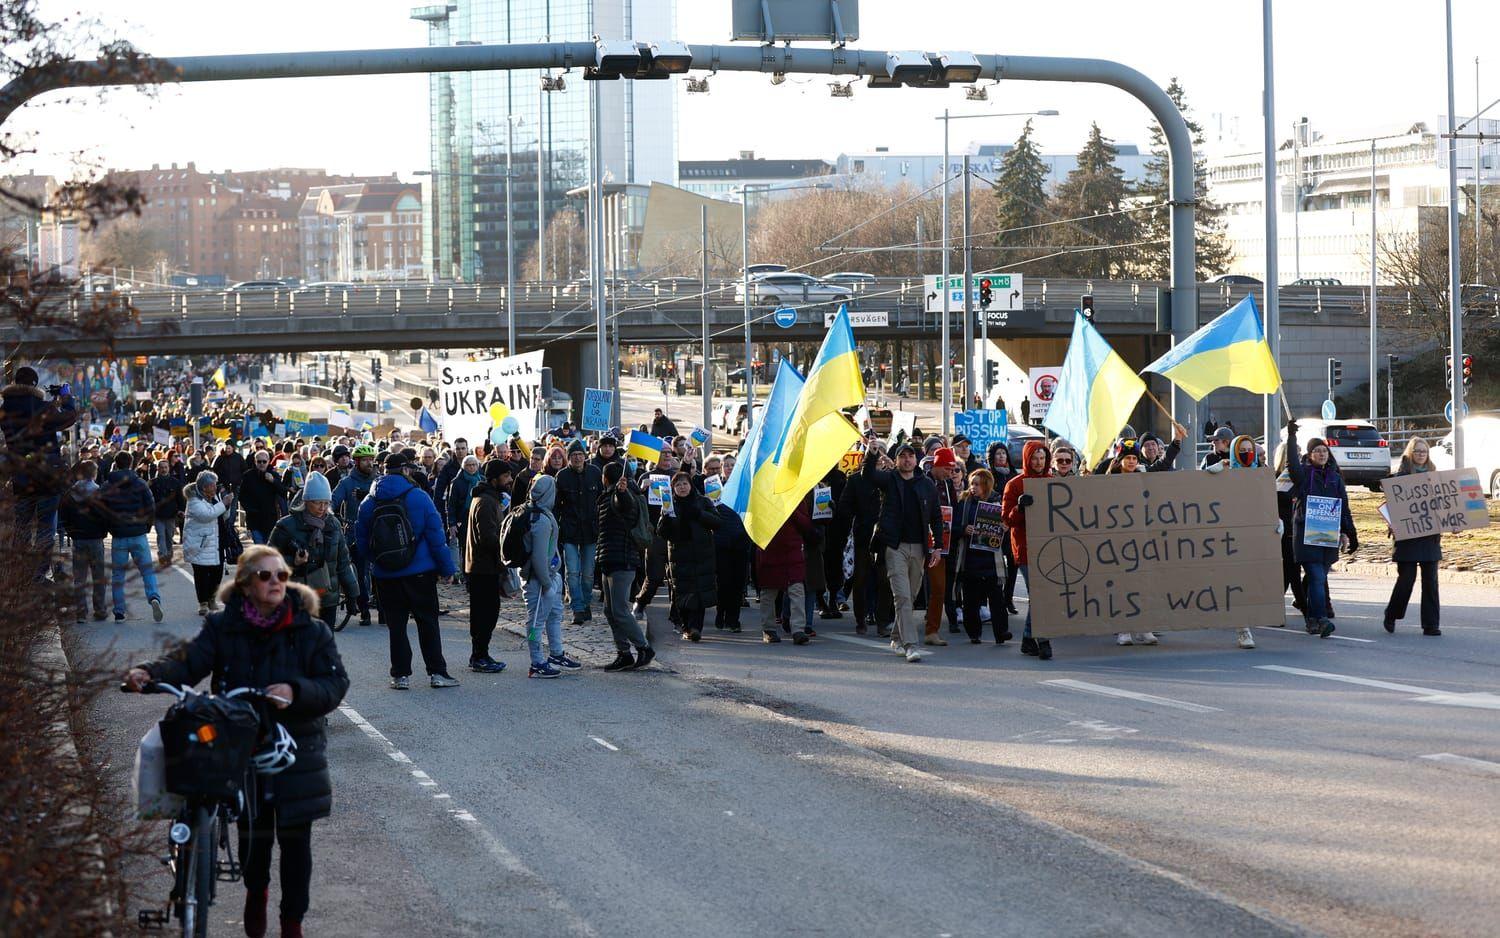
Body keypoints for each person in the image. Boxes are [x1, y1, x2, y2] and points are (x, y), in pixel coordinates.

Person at [124, 545, 350, 938]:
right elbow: (188, 662)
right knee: (253, 840)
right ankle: (256, 892)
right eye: (266, 576)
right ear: (246, 585)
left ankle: (292, 923)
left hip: (296, 750)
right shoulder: (222, 627)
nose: (277, 582)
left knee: (296, 846)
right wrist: (148, 672)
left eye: (281, 575)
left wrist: (297, 692)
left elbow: (335, 683)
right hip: (239, 747)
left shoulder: (311, 630)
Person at [354, 451, 461, 689]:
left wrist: (378, 561)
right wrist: (447, 568)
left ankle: (400, 675)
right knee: (428, 623)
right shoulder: (419, 497)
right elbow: (436, 537)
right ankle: (437, 673)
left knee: (397, 626)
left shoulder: (369, 501)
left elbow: (361, 540)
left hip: (386, 574)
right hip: (419, 571)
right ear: (405, 470)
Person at [862, 442, 942, 662]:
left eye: (910, 456)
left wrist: (938, 547)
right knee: (902, 596)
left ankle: (897, 638)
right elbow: (868, 475)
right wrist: (871, 454)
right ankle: (910, 645)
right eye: (902, 456)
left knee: (911, 595)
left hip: (919, 548)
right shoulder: (889, 480)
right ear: (896, 460)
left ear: (916, 460)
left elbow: (936, 517)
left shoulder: (927, 485)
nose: (907, 460)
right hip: (894, 546)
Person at [1284, 419, 1358, 638]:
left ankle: (1312, 618)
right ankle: (1321, 618)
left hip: (1327, 537)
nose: (1321, 454)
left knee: (1318, 578)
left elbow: (1344, 506)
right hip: (1307, 536)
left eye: (1324, 450)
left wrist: (1350, 534)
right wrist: (1291, 437)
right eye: (1316, 451)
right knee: (1316, 576)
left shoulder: (1335, 478)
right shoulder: (1303, 475)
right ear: (1309, 454)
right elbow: (1291, 464)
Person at [1, 366, 78, 562]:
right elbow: (68, 417)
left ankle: (21, 571)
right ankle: (38, 573)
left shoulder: (4, 410)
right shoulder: (42, 408)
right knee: (46, 527)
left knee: (22, 525)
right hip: (47, 477)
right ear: (35, 384)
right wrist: (66, 398)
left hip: (21, 476)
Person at [271, 471, 359, 629]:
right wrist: (293, 562)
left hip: (328, 598)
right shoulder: (286, 526)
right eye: (317, 502)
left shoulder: (333, 525)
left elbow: (343, 563)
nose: (322, 508)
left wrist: (352, 595)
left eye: (326, 503)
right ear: (306, 501)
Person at [518, 474, 583, 678]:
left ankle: (556, 653)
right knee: (535, 622)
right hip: (538, 580)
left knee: (554, 615)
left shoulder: (541, 513)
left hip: (548, 576)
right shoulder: (540, 520)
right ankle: (536, 661)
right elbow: (539, 556)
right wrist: (547, 583)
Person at [595, 461, 654, 669]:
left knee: (619, 609)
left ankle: (644, 648)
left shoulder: (625, 495)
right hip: (608, 558)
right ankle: (623, 653)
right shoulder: (607, 496)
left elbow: (624, 505)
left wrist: (621, 492)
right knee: (610, 611)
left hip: (622, 559)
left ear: (606, 478)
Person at [1382, 437, 1442, 636]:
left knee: (1431, 581)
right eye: (1417, 451)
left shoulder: (1435, 475)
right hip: (1407, 536)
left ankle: (1431, 624)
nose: (1421, 454)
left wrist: (1453, 522)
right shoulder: (1401, 476)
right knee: (1407, 579)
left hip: (1429, 536)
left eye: (1424, 451)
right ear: (1410, 452)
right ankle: (1392, 613)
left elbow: (1444, 505)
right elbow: (1391, 505)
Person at [1001, 440, 1053, 660]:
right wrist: (1020, 508)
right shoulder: (1015, 484)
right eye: (1034, 458)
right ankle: (1043, 640)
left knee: (1043, 595)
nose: (1039, 462)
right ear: (1027, 459)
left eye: (1042, 458)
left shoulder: (1053, 481)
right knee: (1039, 595)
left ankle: (1028, 638)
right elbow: (1006, 519)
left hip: (1049, 547)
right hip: (1025, 548)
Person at [100, 451, 164, 622]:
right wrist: (147, 526)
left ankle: (119, 611)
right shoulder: (140, 484)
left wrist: (108, 526)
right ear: (131, 463)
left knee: (118, 575)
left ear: (116, 464)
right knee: (147, 571)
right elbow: (151, 506)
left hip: (119, 535)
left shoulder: (107, 485)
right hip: (138, 533)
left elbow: (100, 508)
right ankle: (154, 598)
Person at [658, 470, 720, 643]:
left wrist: (699, 514)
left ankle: (695, 629)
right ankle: (686, 626)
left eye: (685, 483)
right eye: (678, 485)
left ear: (691, 485)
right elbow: (661, 532)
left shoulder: (703, 502)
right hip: (679, 556)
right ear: (673, 488)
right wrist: (666, 518)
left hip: (702, 554)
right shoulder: (670, 505)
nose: (682, 487)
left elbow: (717, 522)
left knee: (699, 594)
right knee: (683, 594)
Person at [463, 459, 513, 673]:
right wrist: (508, 542)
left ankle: (481, 654)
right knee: (485, 614)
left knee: (487, 613)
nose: (509, 480)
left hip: (485, 567)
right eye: (505, 476)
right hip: (482, 568)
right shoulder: (485, 502)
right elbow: (488, 538)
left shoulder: (490, 499)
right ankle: (479, 656)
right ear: (494, 479)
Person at [953, 468, 1009, 643]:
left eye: (977, 484)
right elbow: (952, 527)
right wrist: (964, 529)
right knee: (971, 600)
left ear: (986, 486)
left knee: (997, 600)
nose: (973, 488)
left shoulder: (997, 503)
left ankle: (1001, 633)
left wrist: (1004, 528)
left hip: (991, 560)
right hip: (970, 559)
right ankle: (974, 633)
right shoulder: (964, 502)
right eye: (972, 484)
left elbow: (1005, 528)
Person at [753, 500, 814, 646]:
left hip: (792, 550)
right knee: (768, 591)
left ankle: (798, 630)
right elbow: (756, 523)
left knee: (797, 590)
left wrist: (792, 510)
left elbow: (805, 524)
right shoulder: (763, 495)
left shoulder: (797, 497)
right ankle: (768, 629)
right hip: (769, 549)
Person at [555, 439, 603, 624]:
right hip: (570, 531)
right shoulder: (562, 476)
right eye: (573, 455)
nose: (577, 458)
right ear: (569, 458)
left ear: (585, 456)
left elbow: (601, 498)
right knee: (572, 572)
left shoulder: (594, 473)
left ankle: (585, 601)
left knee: (588, 572)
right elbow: (557, 505)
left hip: (590, 531)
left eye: (580, 455)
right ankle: (577, 607)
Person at [331, 444, 378, 625]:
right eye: (365, 460)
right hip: (354, 533)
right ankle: (363, 606)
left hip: (377, 533)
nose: (369, 463)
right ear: (357, 462)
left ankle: (383, 605)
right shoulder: (347, 483)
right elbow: (334, 501)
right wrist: (329, 512)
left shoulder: (378, 481)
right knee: (359, 571)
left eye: (371, 460)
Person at [60, 459, 108, 621]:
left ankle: (81, 612)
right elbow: (105, 516)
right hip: (95, 538)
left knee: (79, 577)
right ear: (94, 474)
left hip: (78, 539)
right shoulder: (99, 492)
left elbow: (63, 517)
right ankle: (100, 609)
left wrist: (71, 532)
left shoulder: (70, 493)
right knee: (98, 576)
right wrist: (103, 532)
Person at [924, 447, 961, 644]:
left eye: (953, 469)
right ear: (937, 465)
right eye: (947, 468)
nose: (950, 473)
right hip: (918, 541)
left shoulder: (948, 486)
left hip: (940, 544)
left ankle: (932, 631)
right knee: (909, 590)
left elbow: (953, 511)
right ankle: (898, 629)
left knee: (939, 587)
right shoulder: (922, 480)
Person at [182, 470, 231, 616]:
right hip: (200, 543)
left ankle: (212, 598)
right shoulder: (194, 500)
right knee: (201, 574)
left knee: (217, 571)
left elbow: (222, 515)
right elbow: (206, 515)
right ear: (204, 487)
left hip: (216, 541)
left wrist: (226, 505)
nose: (215, 487)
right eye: (212, 485)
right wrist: (224, 503)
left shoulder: (214, 497)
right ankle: (202, 602)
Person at [240, 449, 284, 545]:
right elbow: (242, 496)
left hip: (270, 518)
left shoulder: (274, 475)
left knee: (268, 548)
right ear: (255, 462)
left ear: (268, 461)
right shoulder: (248, 476)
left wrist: (273, 481)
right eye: (259, 461)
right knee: (260, 547)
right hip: (254, 519)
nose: (262, 464)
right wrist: (249, 509)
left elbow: (283, 492)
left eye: (264, 461)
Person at [148, 458, 183, 567]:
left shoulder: (175, 482)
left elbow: (180, 498)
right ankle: (163, 556)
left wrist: (181, 509)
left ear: (169, 468)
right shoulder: (153, 483)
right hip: (158, 514)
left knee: (169, 536)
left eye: (165, 467)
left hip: (171, 515)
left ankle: (168, 553)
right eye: (161, 467)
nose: (163, 469)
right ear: (158, 468)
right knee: (161, 535)